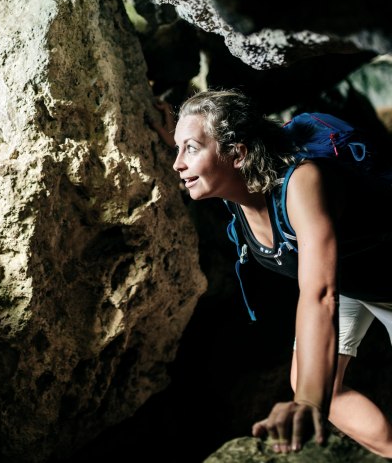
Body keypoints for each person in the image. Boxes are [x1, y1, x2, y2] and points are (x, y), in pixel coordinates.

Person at [151, 89, 392, 456]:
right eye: (178, 149)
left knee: (312, 390)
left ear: (238, 153)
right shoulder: (239, 187)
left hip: (376, 280)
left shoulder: (302, 183)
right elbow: (226, 141)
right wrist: (181, 136)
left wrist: (309, 405)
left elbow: (319, 293)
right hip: (355, 281)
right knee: (309, 381)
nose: (176, 164)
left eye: (190, 149)